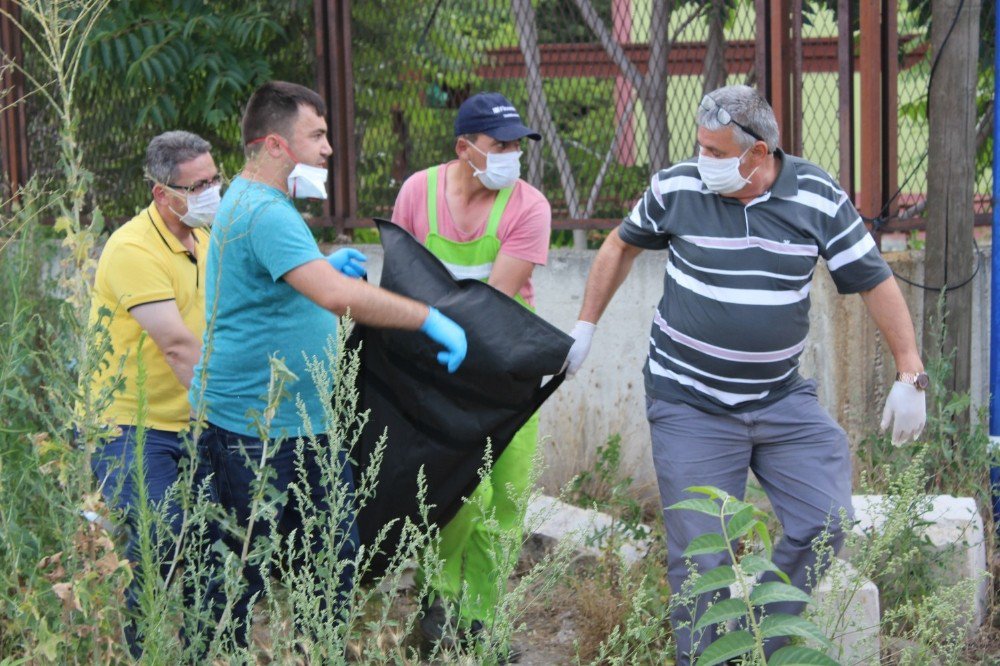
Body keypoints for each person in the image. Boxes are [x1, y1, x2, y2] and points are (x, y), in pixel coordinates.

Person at [563, 84, 928, 664]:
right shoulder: (676, 187)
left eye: (715, 152)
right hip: (690, 402)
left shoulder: (816, 194)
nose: (702, 162)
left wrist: (911, 374)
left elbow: (873, 277)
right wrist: (585, 326)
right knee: (702, 558)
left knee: (828, 520)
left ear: (759, 153)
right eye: (700, 148)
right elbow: (618, 246)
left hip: (781, 399)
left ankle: (756, 637)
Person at [189, 80, 468, 646]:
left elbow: (284, 278)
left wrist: (318, 259)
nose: (328, 149)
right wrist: (426, 318)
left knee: (325, 565)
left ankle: (308, 652)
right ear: (275, 145)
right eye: (315, 135)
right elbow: (337, 298)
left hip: (292, 424)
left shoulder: (253, 203)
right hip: (259, 434)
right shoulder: (264, 211)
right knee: (249, 580)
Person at [390, 90, 551, 659]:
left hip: (505, 371)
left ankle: (481, 622)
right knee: (453, 493)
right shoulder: (419, 192)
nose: (512, 154)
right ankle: (439, 608)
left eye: (517, 145)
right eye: (499, 144)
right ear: (465, 147)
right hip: (433, 368)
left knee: (505, 497)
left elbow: (495, 301)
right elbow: (402, 275)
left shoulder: (528, 206)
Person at [88, 130, 222, 655]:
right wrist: (236, 412)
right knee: (161, 535)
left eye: (215, 179)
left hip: (193, 420)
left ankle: (201, 651)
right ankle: (143, 648)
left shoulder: (207, 236)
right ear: (160, 192)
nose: (211, 192)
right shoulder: (132, 248)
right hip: (130, 424)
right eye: (197, 186)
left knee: (217, 545)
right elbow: (176, 345)